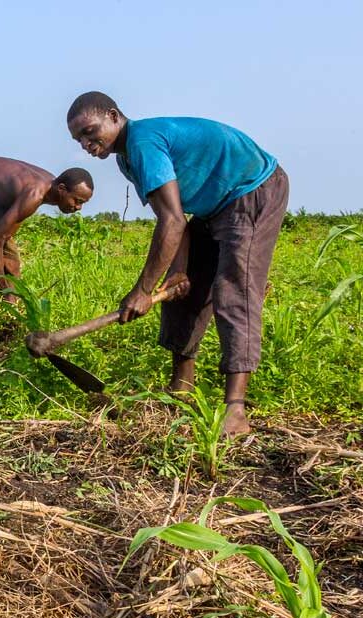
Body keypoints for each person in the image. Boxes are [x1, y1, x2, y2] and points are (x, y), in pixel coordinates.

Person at [67, 91, 289, 435]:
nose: (85, 144)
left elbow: (171, 222)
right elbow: (174, 214)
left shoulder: (143, 143)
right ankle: (182, 388)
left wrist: (143, 290)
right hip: (212, 205)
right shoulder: (126, 159)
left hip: (251, 189)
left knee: (233, 290)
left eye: (89, 131)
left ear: (113, 116)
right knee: (181, 290)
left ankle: (235, 410)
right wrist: (178, 270)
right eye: (78, 139)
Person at [0, 157, 93, 351]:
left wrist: (5, 281)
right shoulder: (35, 193)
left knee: (11, 260)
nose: (78, 208)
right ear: (62, 189)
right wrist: (4, 291)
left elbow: (3, 237)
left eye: (82, 203)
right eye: (77, 201)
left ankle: (10, 326)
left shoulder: (48, 188)